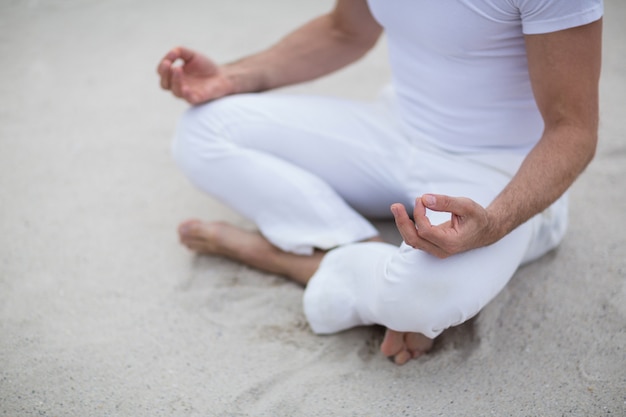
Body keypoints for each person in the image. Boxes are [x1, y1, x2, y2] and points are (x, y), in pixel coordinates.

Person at [157, 0, 603, 365]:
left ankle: (291, 258)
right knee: (202, 131)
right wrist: (230, 77)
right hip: (393, 131)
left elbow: (573, 130)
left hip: (497, 175)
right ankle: (358, 252)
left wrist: (497, 222)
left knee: (419, 300)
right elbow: (343, 31)